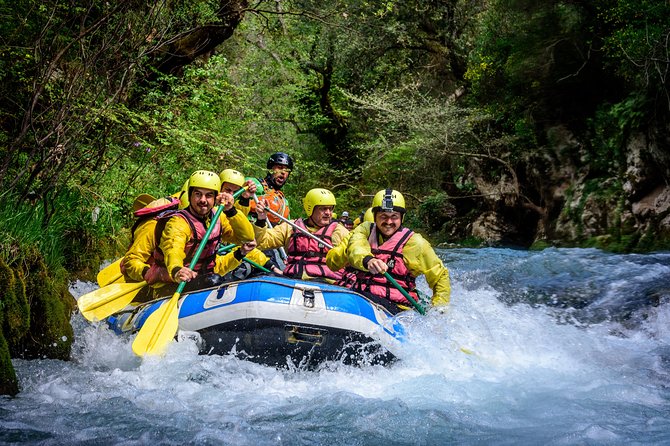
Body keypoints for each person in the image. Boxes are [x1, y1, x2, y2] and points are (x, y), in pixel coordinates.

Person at [337, 189, 450, 314]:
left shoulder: (415, 243)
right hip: (362, 297)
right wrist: (368, 260)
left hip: (397, 307)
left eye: (394, 217)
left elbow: (439, 276)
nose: (388, 222)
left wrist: (439, 308)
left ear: (402, 218)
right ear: (375, 217)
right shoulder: (365, 229)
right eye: (383, 216)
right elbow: (355, 247)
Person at [151, 170, 258, 295]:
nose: (203, 200)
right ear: (190, 196)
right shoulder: (178, 223)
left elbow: (247, 237)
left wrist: (231, 211)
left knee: (215, 280)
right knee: (213, 281)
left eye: (208, 195)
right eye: (198, 194)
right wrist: (177, 269)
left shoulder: (218, 217)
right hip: (173, 282)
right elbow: (173, 249)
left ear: (215, 198)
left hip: (204, 279)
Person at [254, 188, 349, 282]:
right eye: (323, 209)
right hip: (293, 281)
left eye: (330, 208)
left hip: (328, 284)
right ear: (310, 209)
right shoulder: (290, 227)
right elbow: (260, 242)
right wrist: (261, 219)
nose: (328, 213)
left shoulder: (339, 231)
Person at [248, 152, 293, 224]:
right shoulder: (254, 183)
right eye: (280, 167)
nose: (283, 172)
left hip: (271, 233)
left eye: (287, 170)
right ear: (271, 169)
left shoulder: (284, 202)